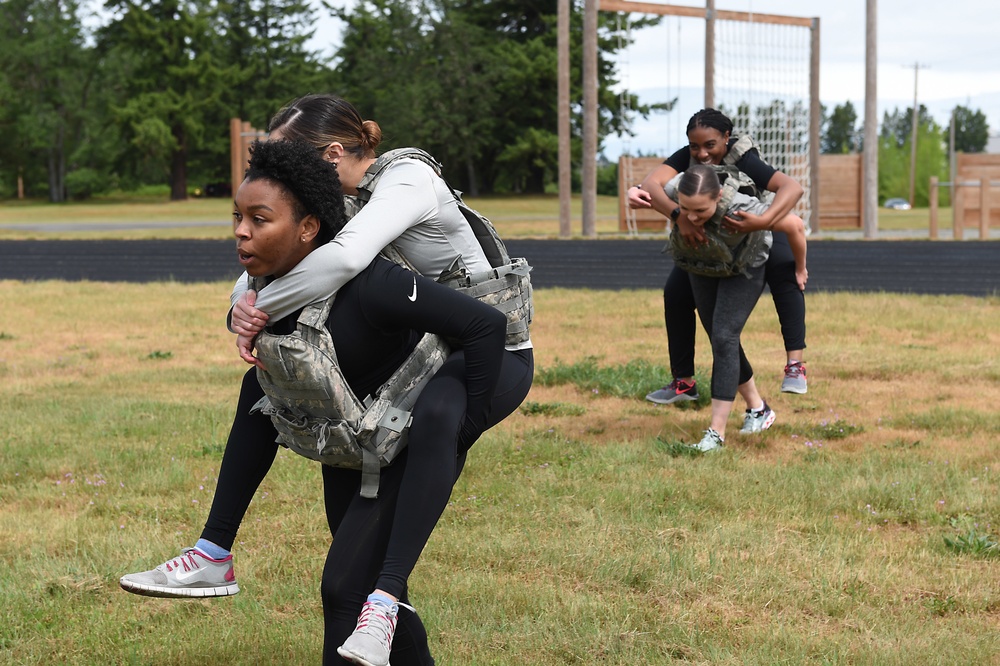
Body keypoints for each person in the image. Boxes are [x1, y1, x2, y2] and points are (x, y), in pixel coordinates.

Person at [121, 96, 533, 666]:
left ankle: (384, 599)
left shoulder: (405, 179)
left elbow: (342, 261)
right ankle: (227, 552)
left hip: (486, 352)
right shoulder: (339, 197)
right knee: (347, 546)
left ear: (332, 153)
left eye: (289, 156)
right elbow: (288, 256)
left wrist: (255, 304)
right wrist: (241, 304)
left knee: (361, 566)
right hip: (428, 352)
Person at [627, 108, 809, 400]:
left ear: (726, 137)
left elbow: (792, 188)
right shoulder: (686, 155)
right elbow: (650, 184)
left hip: (755, 225)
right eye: (695, 146)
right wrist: (678, 215)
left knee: (786, 274)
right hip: (716, 234)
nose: (701, 153)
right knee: (676, 293)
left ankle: (795, 365)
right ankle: (684, 382)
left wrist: (764, 222)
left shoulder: (744, 158)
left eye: (710, 145)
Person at [665, 163, 789, 452]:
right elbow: (650, 187)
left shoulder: (744, 207)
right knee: (722, 340)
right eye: (686, 209)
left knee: (724, 336)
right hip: (705, 265)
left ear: (719, 196)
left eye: (701, 211)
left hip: (745, 268)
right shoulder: (676, 190)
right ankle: (758, 409)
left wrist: (800, 269)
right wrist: (667, 210)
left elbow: (794, 226)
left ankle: (716, 434)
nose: (692, 218)